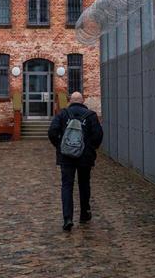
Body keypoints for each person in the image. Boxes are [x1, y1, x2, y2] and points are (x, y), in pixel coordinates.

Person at [48, 91, 104, 231]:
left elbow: (52, 132)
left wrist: (60, 146)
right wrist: (90, 148)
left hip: (66, 156)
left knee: (67, 186)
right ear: (82, 101)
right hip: (85, 157)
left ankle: (67, 218)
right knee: (84, 184)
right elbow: (98, 135)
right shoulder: (91, 115)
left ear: (70, 101)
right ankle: (84, 213)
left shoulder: (62, 114)